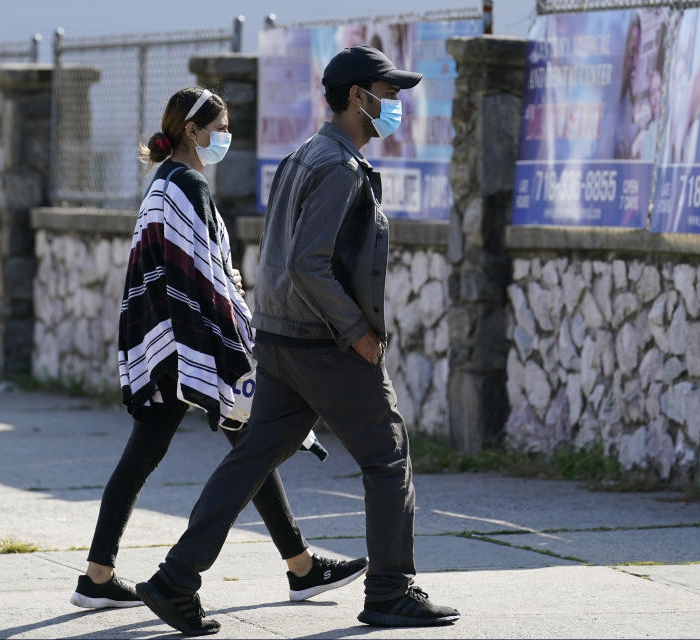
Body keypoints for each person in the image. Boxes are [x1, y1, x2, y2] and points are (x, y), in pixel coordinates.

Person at [134, 47, 460, 636]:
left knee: (252, 459)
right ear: (358, 96)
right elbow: (311, 263)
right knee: (388, 459)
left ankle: (175, 580)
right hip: (323, 342)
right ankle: (391, 589)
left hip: (282, 338)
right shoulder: (336, 166)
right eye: (387, 95)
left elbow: (286, 255)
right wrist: (356, 330)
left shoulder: (305, 155)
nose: (394, 106)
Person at [68, 86, 367, 611]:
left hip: (166, 339)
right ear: (193, 131)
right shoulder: (186, 184)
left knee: (201, 451)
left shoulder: (164, 182)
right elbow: (204, 276)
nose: (226, 137)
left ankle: (98, 576)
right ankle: (298, 569)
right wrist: (237, 336)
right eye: (221, 128)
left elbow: (182, 266)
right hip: (190, 344)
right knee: (244, 448)